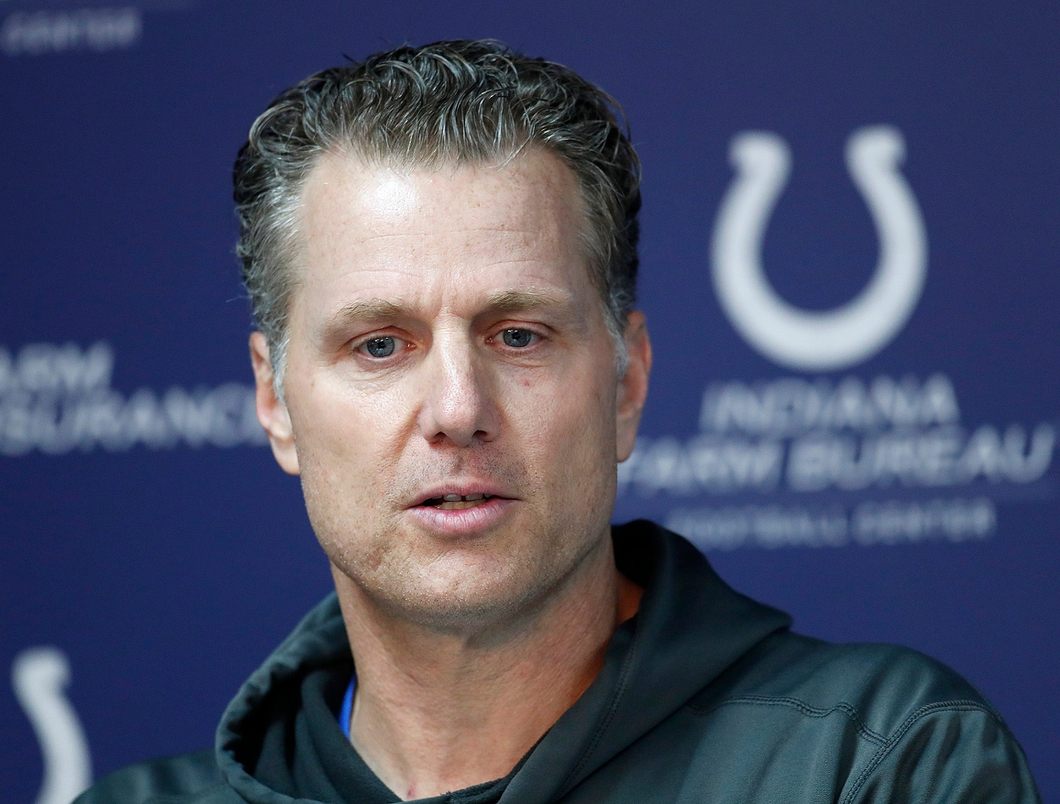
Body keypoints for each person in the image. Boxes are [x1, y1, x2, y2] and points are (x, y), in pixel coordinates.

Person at [77, 39, 1041, 803]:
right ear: (274, 401)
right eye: (380, 345)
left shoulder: (878, 765)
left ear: (627, 383)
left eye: (520, 335)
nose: (457, 410)